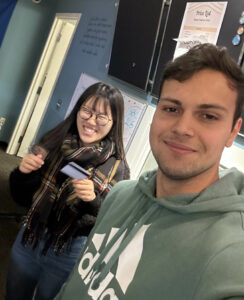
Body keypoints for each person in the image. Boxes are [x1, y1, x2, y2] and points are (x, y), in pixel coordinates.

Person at [54, 43, 244, 300]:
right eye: (171, 109)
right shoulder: (120, 195)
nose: (182, 127)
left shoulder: (229, 255)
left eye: (208, 116)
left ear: (233, 131)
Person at [6, 82, 130, 300]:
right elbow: (20, 198)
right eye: (87, 111)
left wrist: (92, 201)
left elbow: (109, 223)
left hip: (68, 251)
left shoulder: (116, 168)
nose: (91, 121)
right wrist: (23, 174)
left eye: (101, 117)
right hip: (31, 235)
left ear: (114, 122)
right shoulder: (54, 142)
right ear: (78, 109)